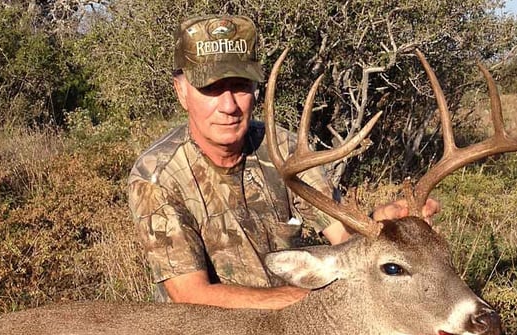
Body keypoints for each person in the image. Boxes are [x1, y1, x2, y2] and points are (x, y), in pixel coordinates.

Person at [128, 14, 437, 309]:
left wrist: (382, 223)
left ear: (255, 89)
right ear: (181, 92)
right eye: (210, 88)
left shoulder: (284, 148)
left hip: (293, 332)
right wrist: (313, 304)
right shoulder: (157, 176)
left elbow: (341, 238)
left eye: (239, 86)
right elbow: (190, 295)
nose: (229, 106)